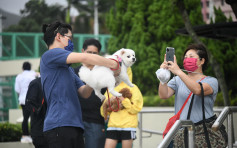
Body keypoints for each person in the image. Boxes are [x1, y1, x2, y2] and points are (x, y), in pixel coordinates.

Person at [40, 21, 120, 148]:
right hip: (59, 125)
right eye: (70, 38)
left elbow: (84, 92)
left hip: (74, 125)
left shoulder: (68, 70)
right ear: (58, 36)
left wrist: (97, 76)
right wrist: (113, 63)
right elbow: (84, 58)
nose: (71, 42)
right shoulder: (50, 54)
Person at [158, 43, 227, 147]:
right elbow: (164, 95)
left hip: (203, 132)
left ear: (202, 61)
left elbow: (197, 90)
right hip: (181, 133)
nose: (187, 59)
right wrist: (163, 77)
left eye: (191, 57)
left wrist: (178, 71)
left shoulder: (211, 81)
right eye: (185, 57)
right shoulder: (177, 80)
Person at [74, 38, 106, 148]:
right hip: (75, 121)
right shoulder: (73, 72)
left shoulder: (104, 73)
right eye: (89, 52)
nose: (91, 56)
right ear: (83, 51)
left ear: (99, 54)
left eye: (94, 53)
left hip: (96, 122)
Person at [101, 67, 143, 148]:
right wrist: (108, 102)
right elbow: (103, 111)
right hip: (113, 125)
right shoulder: (111, 88)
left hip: (128, 126)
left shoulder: (134, 88)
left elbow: (136, 108)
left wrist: (122, 99)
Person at [15, 61, 37, 143]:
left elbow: (17, 89)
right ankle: (34, 134)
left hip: (23, 100)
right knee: (34, 118)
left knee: (25, 118)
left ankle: (25, 135)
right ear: (30, 68)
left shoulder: (19, 77)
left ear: (22, 68)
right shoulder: (33, 75)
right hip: (32, 100)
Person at [25, 77, 48, 148]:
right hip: (40, 130)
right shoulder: (36, 83)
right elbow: (30, 104)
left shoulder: (57, 82)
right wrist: (41, 110)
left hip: (56, 131)